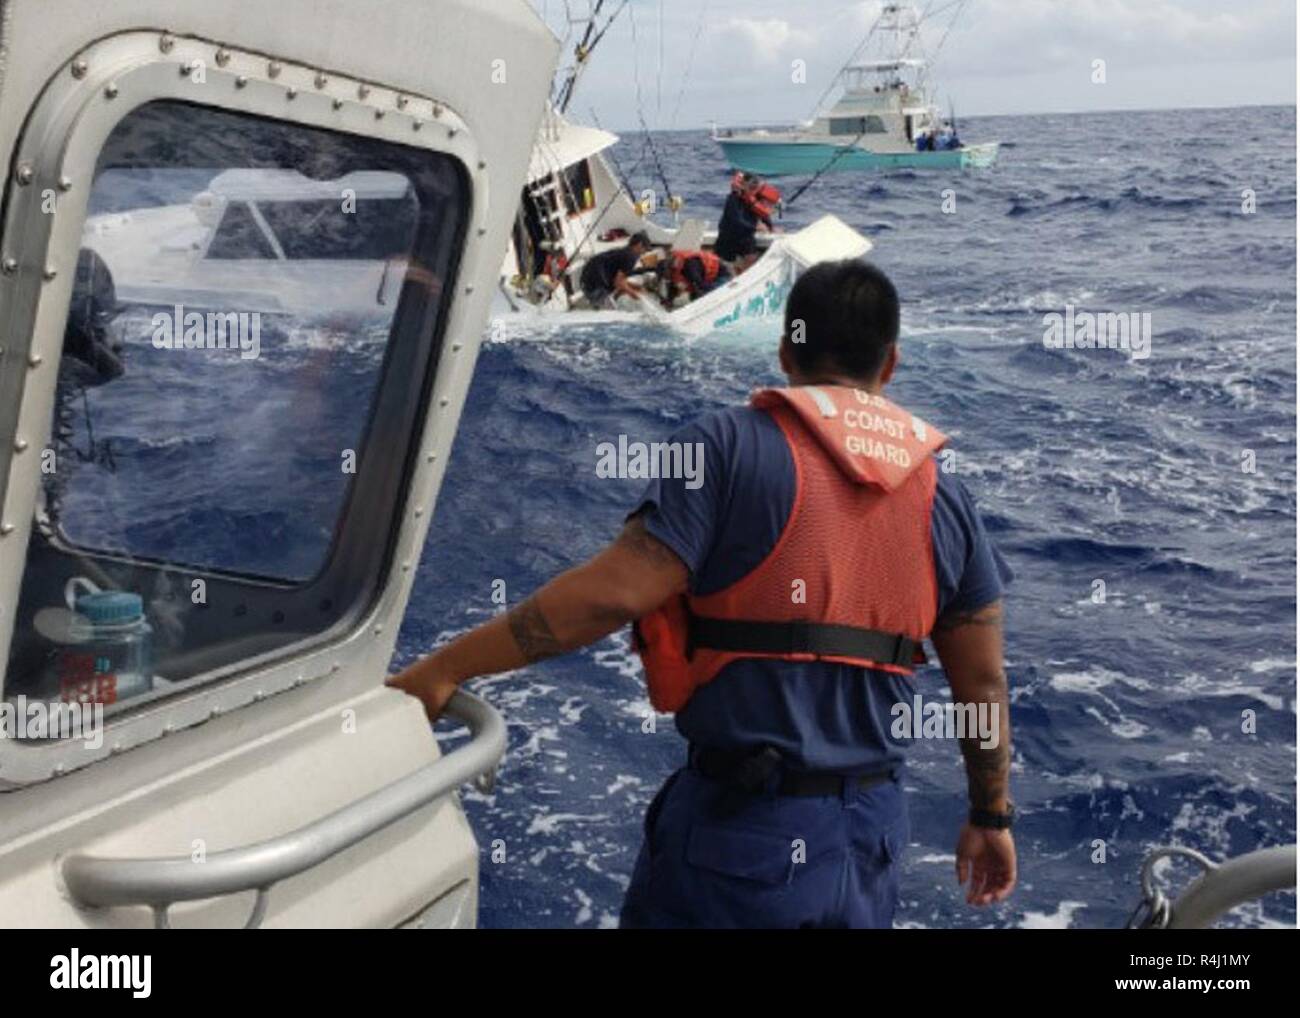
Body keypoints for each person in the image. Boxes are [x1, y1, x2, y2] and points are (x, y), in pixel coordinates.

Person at [388, 259, 1016, 929]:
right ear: (889, 364)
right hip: (870, 842)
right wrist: (990, 816)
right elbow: (982, 686)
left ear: (784, 351)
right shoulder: (945, 498)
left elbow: (613, 594)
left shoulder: (723, 447)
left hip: (741, 843)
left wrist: (445, 668)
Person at [714, 173, 777, 272]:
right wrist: (755, 227)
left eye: (755, 187)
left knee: (751, 257)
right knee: (726, 265)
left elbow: (763, 214)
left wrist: (770, 228)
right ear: (743, 185)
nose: (753, 189)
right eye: (751, 186)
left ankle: (745, 274)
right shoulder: (733, 199)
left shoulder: (755, 197)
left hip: (746, 237)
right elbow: (736, 221)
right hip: (730, 237)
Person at [577, 231, 650, 308]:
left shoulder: (623, 251)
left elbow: (620, 279)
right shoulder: (631, 257)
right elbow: (618, 283)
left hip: (585, 281)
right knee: (614, 314)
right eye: (645, 249)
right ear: (639, 245)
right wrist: (635, 295)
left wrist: (635, 286)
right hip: (594, 287)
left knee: (619, 291)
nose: (644, 253)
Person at [661, 247, 731, 305]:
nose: (667, 278)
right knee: (694, 296)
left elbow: (701, 285)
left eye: (666, 275)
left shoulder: (690, 267)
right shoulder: (674, 269)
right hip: (702, 277)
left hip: (720, 275)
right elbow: (673, 285)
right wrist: (669, 300)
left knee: (707, 295)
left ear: (670, 268)